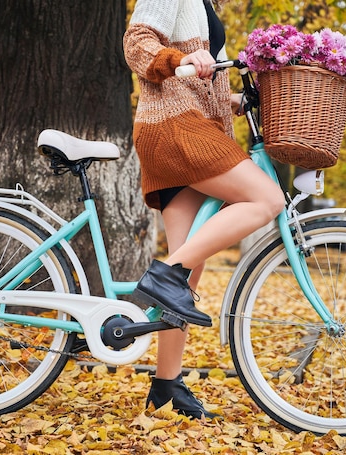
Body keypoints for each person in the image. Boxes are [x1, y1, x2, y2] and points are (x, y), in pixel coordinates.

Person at [123, 0, 285, 419]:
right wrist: (181, 57)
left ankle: (165, 389)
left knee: (188, 268)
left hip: (189, 122)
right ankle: (163, 276)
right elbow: (137, 44)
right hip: (176, 128)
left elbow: (193, 74)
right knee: (267, 198)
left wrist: (229, 98)